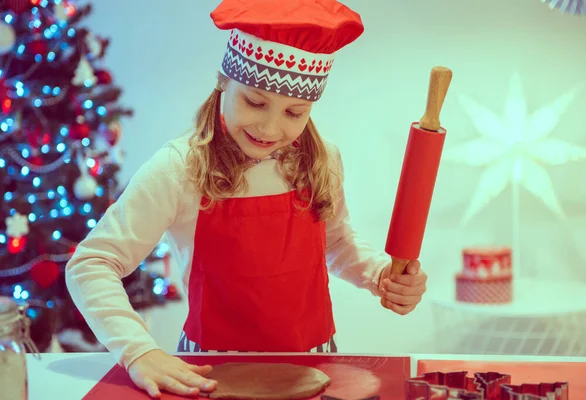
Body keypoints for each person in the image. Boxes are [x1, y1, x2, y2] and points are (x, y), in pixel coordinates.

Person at [65, 0, 428, 398]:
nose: (270, 127)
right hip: (215, 374)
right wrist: (138, 352)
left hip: (313, 366)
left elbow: (335, 243)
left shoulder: (323, 159)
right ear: (224, 81)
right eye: (254, 102)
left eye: (295, 111)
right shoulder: (179, 169)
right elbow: (92, 262)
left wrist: (381, 276)